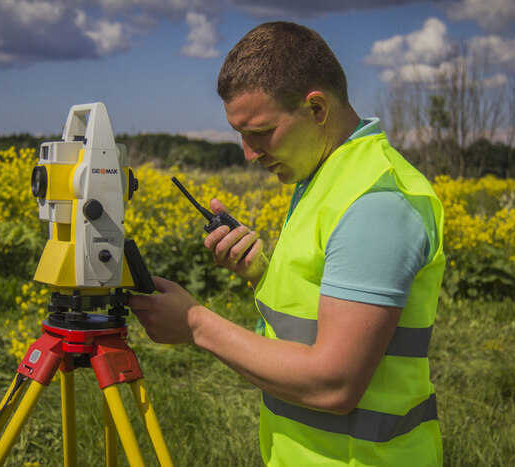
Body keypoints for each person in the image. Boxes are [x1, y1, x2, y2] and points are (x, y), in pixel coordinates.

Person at [128, 21, 445, 466]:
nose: (249, 153)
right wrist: (260, 272)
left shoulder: (377, 204)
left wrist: (197, 324)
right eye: (240, 134)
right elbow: (318, 311)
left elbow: (333, 383)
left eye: (259, 131)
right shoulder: (324, 178)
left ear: (316, 108)